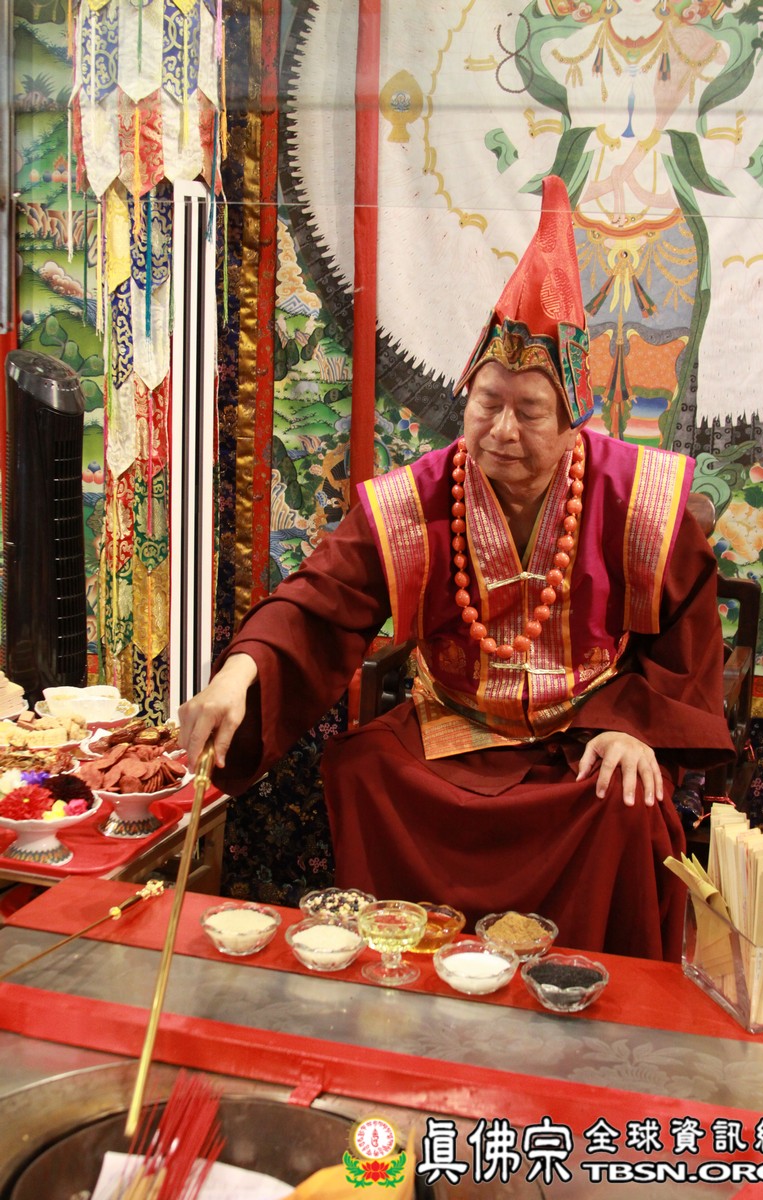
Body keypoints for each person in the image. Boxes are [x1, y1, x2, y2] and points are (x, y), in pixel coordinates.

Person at [179, 176, 734, 962]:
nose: (502, 430)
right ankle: (404, 977)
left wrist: (637, 730)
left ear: (573, 423)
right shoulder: (419, 499)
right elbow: (320, 598)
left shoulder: (639, 499)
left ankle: (591, 996)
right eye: (485, 403)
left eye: (529, 412)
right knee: (364, 769)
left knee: (628, 806)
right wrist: (240, 673)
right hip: (453, 729)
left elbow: (687, 646)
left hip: (579, 741)